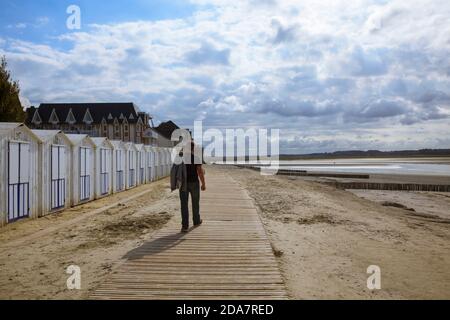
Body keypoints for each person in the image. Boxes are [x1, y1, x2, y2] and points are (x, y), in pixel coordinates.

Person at [171, 142, 206, 233]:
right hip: (194, 183)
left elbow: (174, 170)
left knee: (184, 205)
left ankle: (185, 226)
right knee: (195, 203)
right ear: (193, 148)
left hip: (183, 184)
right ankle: (196, 221)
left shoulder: (180, 158)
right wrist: (203, 184)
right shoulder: (196, 158)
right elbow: (200, 172)